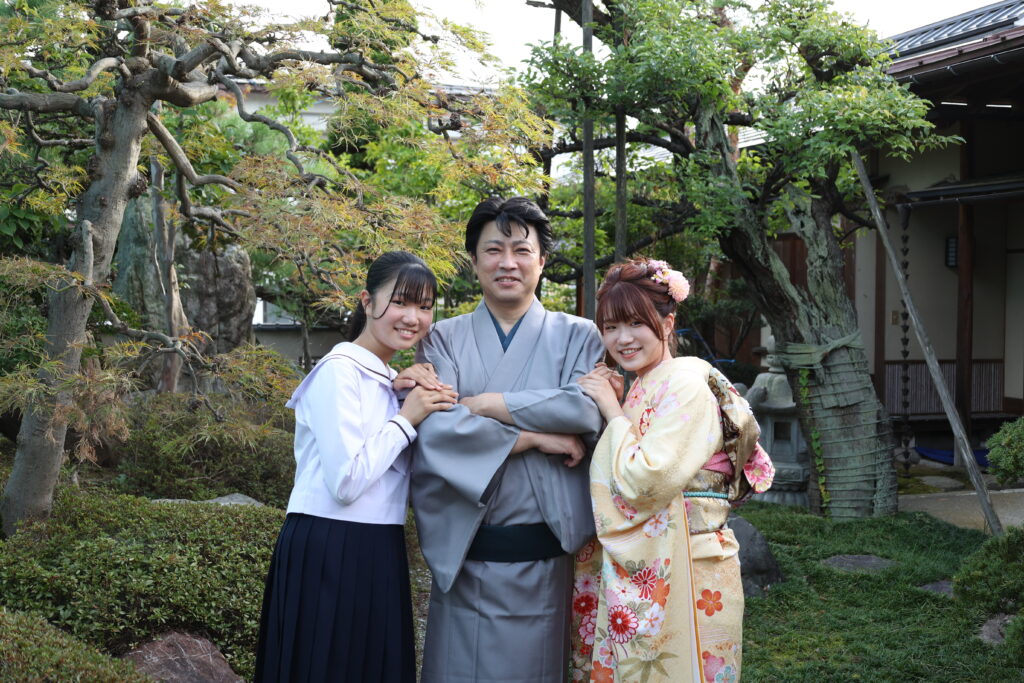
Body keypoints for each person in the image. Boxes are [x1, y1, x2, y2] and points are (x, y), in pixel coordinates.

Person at [410, 196, 606, 682]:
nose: (507, 263)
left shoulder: (579, 335)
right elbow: (437, 428)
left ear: (542, 261)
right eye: (493, 250)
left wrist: (487, 403)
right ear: (474, 260)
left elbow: (583, 409)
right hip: (466, 554)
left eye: (521, 250)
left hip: (545, 558)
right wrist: (536, 437)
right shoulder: (442, 339)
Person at [255, 251, 458, 683]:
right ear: (367, 301)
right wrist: (406, 419)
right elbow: (347, 481)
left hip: (379, 545)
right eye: (400, 302)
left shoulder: (388, 379)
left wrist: (401, 396)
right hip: (329, 545)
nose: (413, 317)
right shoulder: (338, 371)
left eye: (424, 306)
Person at [572, 258, 775, 682]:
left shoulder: (684, 383)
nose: (622, 338)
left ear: (667, 323)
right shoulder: (644, 384)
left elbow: (645, 480)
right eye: (610, 327)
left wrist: (610, 409)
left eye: (635, 323)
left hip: (694, 564)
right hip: (665, 555)